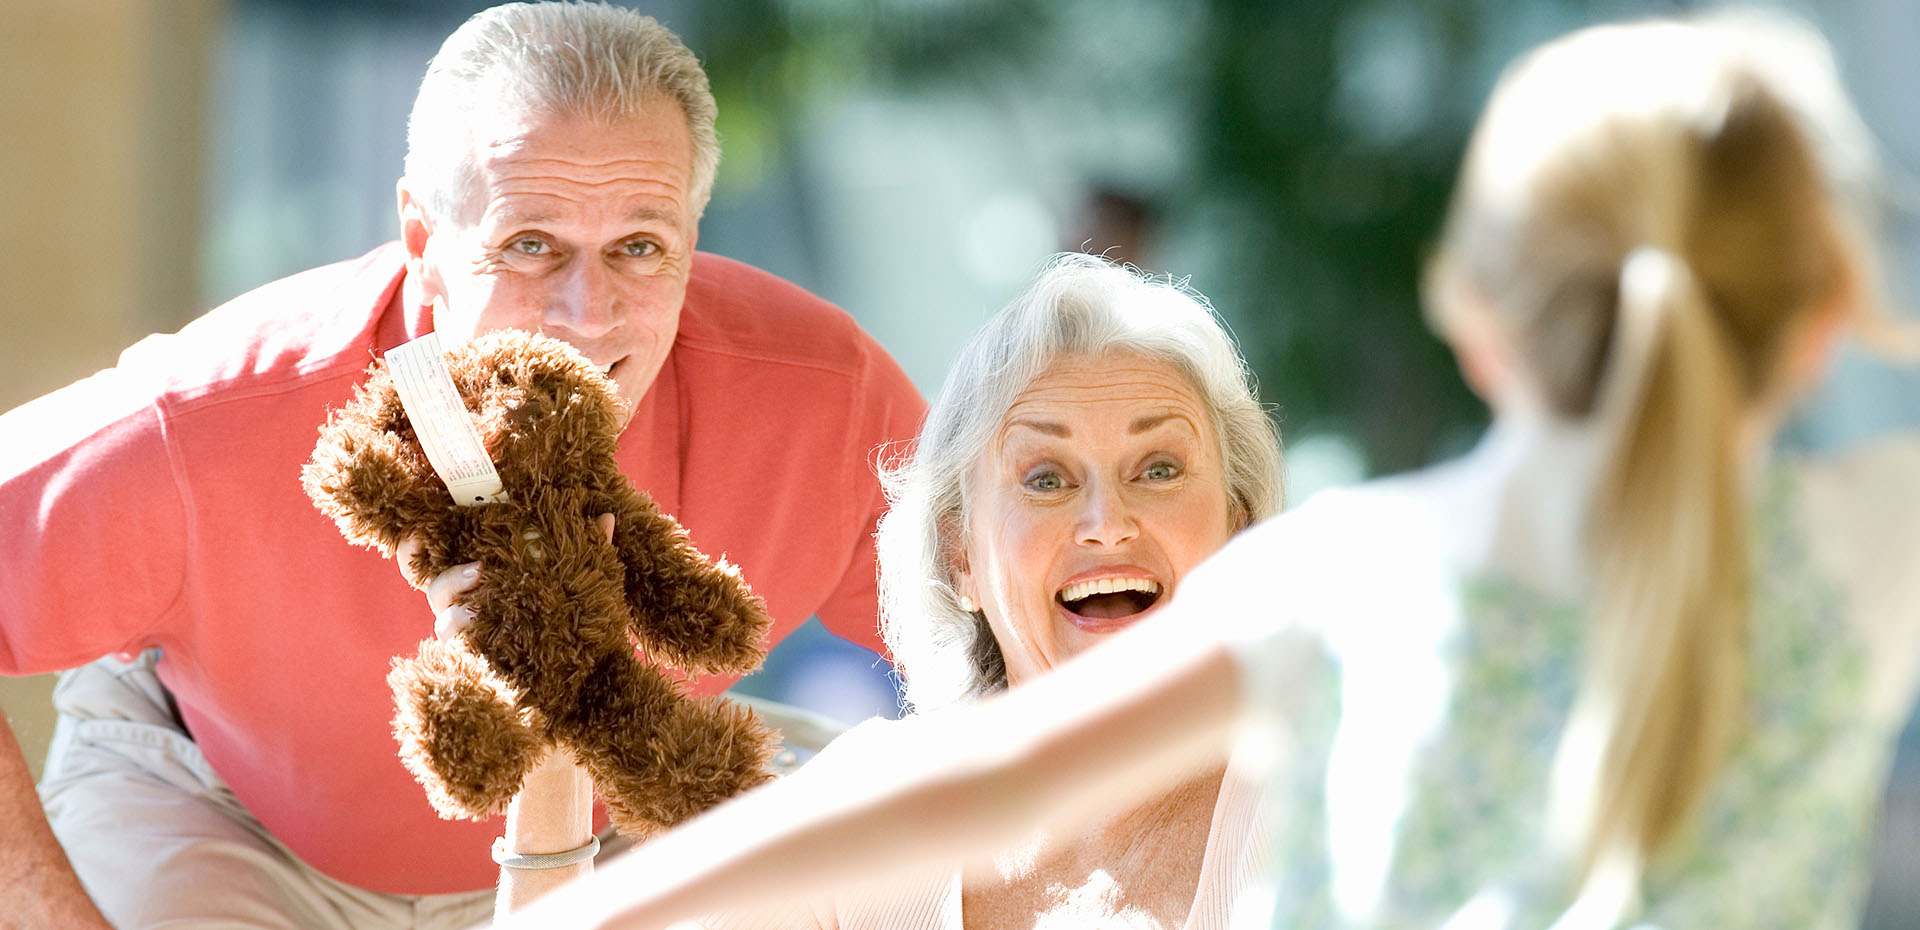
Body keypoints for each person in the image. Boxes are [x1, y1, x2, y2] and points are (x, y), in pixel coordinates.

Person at [489, 11, 1920, 930]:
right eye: (1044, 478)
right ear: (1816, 323)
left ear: (1476, 315)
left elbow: (983, 787)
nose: (1105, 510)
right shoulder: (1871, 547)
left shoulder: (1346, 574)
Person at [0, 3, 924, 927]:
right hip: (223, 812)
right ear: (422, 242)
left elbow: (1020, 618)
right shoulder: (204, 421)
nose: (588, 311)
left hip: (622, 818)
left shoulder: (825, 395)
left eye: (639, 248)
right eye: (531, 245)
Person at [455, 253, 1284, 921]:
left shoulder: (1329, 783)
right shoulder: (872, 800)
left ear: (1240, 531)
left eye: (1160, 468)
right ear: (960, 556)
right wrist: (552, 736)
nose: (1107, 521)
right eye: (1045, 478)